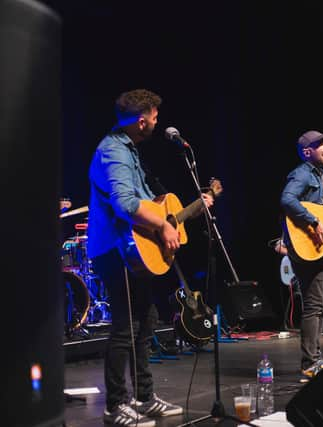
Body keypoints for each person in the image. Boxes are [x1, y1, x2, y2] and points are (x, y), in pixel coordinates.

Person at [87, 89, 213, 426]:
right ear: (142, 120)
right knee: (125, 329)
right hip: (115, 251)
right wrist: (164, 226)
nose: (158, 122)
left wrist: (168, 221)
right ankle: (115, 406)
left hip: (134, 250)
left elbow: (148, 202)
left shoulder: (131, 150)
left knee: (145, 325)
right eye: (155, 117)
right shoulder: (113, 150)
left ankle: (144, 398)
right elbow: (126, 204)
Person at [280, 129, 323, 379]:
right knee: (314, 305)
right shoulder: (302, 174)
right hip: (304, 246)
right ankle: (310, 361)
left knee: (321, 304)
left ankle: (316, 358)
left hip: (319, 248)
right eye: (320, 144)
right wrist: (313, 222)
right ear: (307, 152)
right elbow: (287, 199)